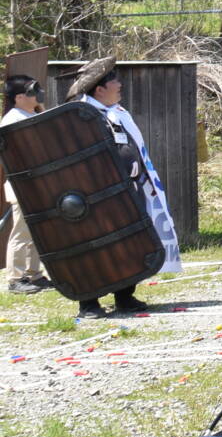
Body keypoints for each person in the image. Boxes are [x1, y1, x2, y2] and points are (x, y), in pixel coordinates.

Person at [69, 59, 181, 316]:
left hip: (126, 191)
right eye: (114, 80)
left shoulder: (115, 112)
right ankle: (89, 302)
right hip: (98, 196)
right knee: (96, 247)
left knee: (130, 243)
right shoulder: (82, 116)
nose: (120, 84)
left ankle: (124, 295)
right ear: (99, 89)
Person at [3, 76, 49, 295]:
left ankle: (34, 274)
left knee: (36, 231)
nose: (38, 94)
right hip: (23, 183)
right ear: (19, 97)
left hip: (37, 182)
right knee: (21, 232)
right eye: (32, 91)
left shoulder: (31, 115)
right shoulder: (12, 121)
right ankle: (15, 278)